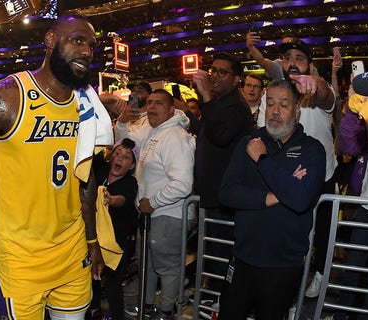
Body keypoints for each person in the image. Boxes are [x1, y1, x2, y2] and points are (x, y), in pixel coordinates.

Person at [0, 15, 108, 320]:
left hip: (72, 250)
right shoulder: (2, 99)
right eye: (77, 40)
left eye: (92, 45)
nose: (87, 52)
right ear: (50, 41)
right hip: (19, 259)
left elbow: (85, 178)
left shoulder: (88, 106)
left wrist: (93, 241)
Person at [218, 79, 325, 318]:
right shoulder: (250, 143)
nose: (275, 111)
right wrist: (274, 196)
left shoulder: (312, 150)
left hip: (283, 265)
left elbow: (300, 200)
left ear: (297, 111)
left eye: (284, 105)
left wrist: (263, 161)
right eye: (271, 103)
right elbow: (226, 193)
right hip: (242, 258)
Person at [256, 39, 338, 299]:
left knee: (322, 235)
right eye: (288, 57)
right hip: (285, 181)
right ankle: (288, 292)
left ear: (309, 66)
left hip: (322, 179)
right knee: (290, 238)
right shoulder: (272, 96)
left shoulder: (317, 93)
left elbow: (325, 94)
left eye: (299, 58)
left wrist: (317, 84)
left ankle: (320, 273)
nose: (292, 62)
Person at [192, 52, 254, 302]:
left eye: (222, 72)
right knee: (213, 252)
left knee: (224, 254)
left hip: (225, 200)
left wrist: (206, 96)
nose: (214, 76)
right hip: (212, 196)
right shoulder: (218, 103)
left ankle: (223, 302)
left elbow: (220, 136)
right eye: (213, 70)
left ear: (236, 79)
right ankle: (214, 297)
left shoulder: (236, 106)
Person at [129, 89, 195, 319]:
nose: (152, 107)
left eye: (158, 103)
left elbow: (183, 183)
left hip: (168, 215)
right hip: (152, 214)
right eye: (149, 103)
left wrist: (154, 202)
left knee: (167, 268)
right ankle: (146, 306)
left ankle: (166, 311)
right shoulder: (157, 132)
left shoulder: (175, 136)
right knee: (148, 265)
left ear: (171, 109)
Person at [335, 69, 368, 319]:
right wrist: (352, 111)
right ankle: (341, 316)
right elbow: (347, 146)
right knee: (353, 270)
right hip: (367, 210)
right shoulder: (367, 118)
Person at [89, 138, 139, 320]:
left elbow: (123, 199)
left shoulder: (130, 183)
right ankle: (94, 311)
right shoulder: (100, 170)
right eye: (117, 153)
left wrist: (110, 199)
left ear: (132, 165)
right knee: (91, 276)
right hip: (93, 237)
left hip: (116, 242)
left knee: (113, 283)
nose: (120, 158)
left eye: (126, 157)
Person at [113, 81, 153, 146]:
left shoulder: (151, 119)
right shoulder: (124, 114)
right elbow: (103, 99)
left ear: (149, 97)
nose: (134, 93)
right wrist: (114, 98)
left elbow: (130, 144)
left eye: (140, 91)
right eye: (133, 91)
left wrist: (122, 122)